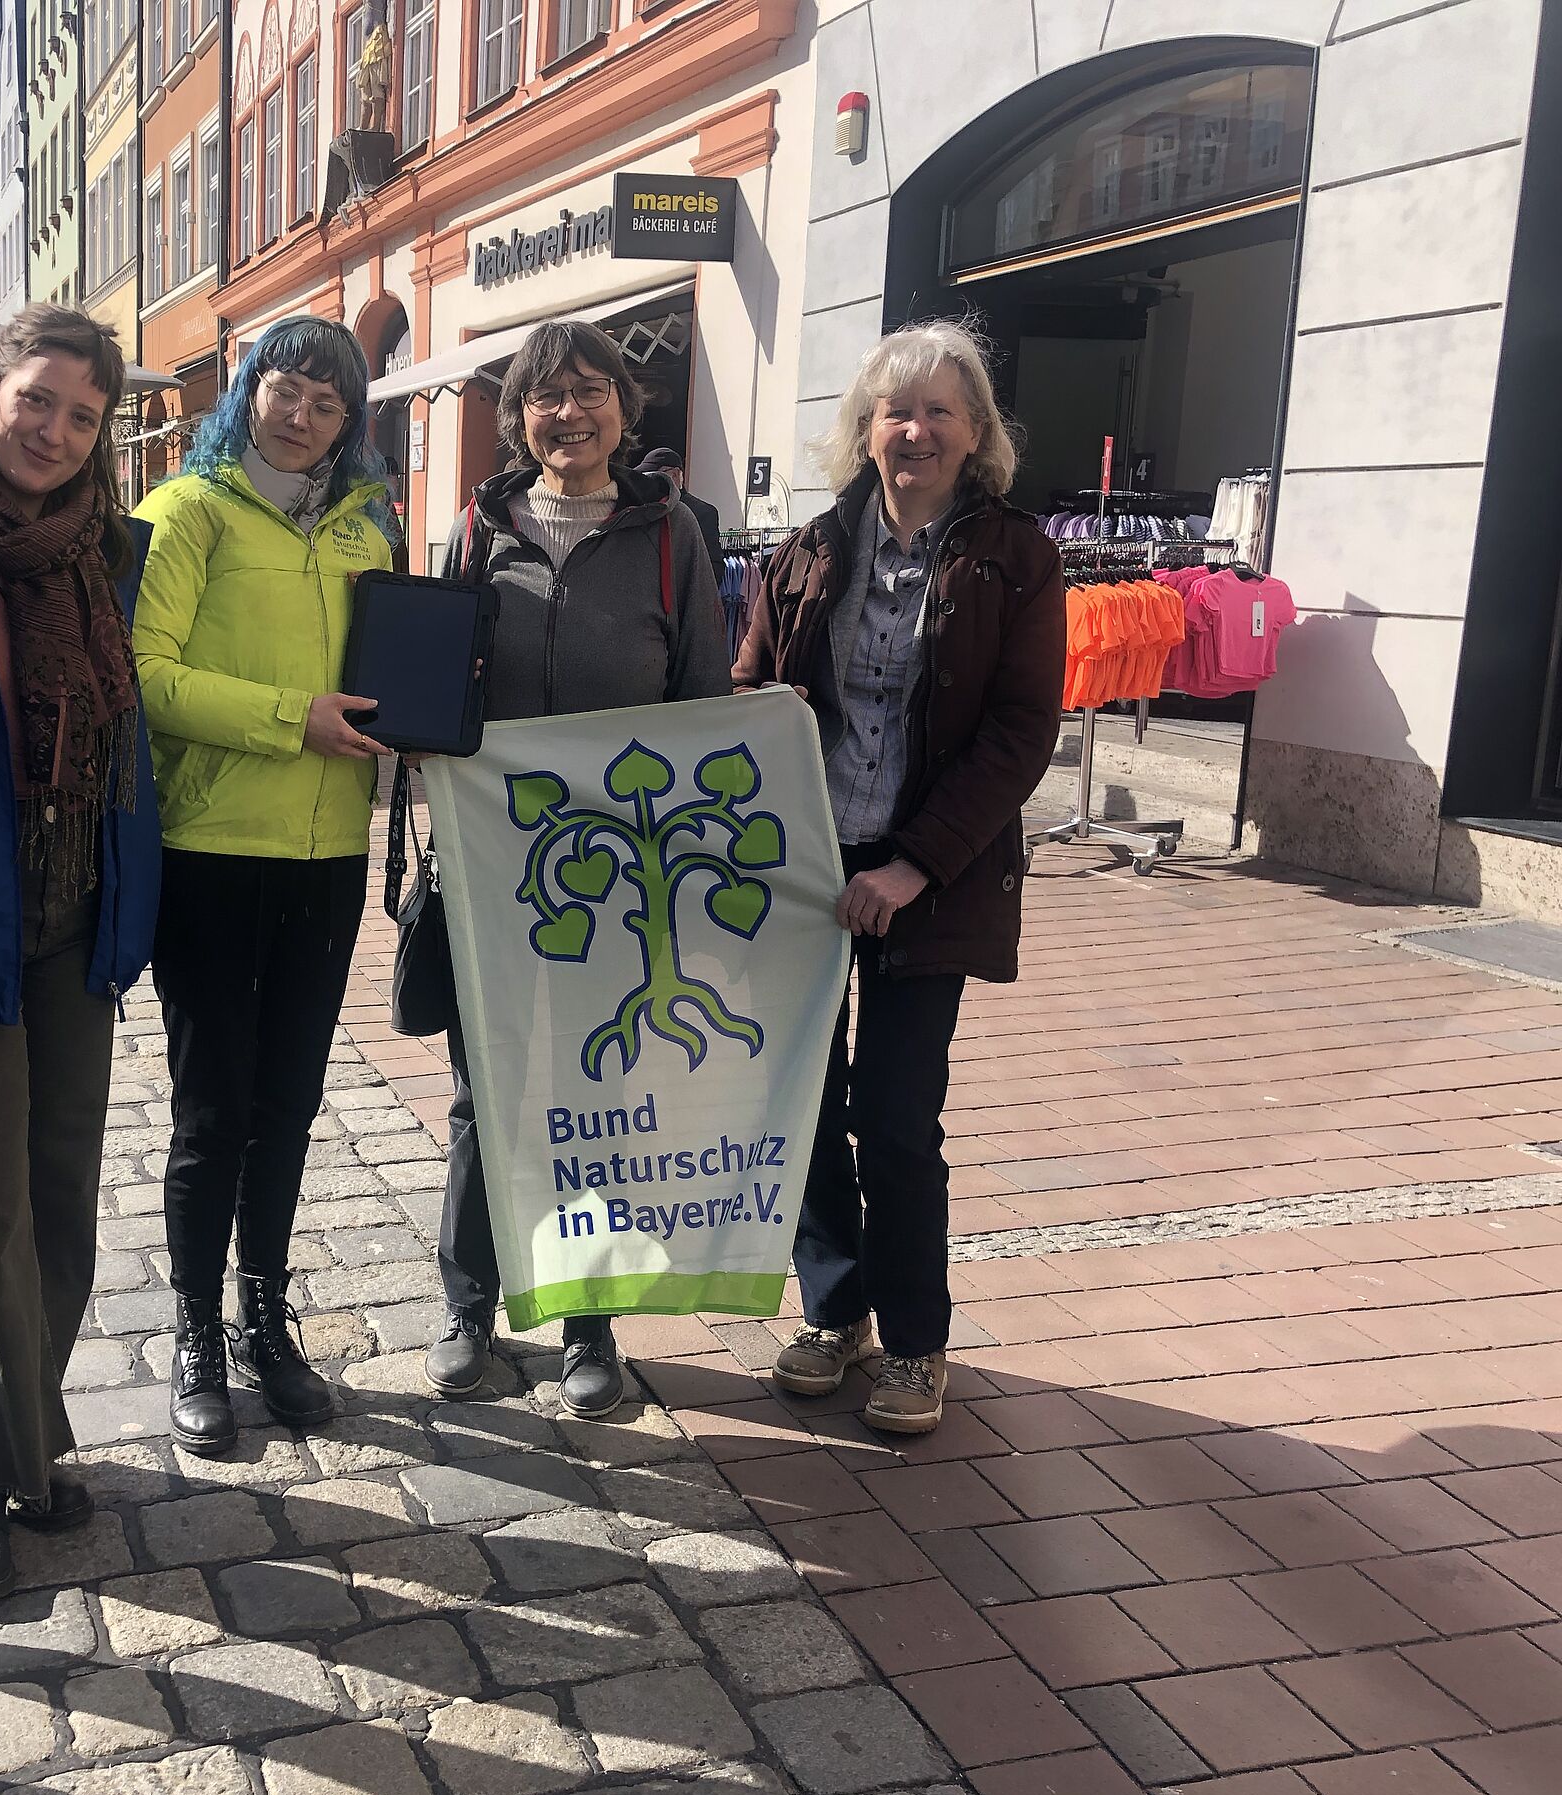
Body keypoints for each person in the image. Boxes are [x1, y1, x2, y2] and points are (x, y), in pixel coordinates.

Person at [732, 320, 1064, 1435]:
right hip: (805, 879)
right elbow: (753, 684)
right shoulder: (813, 546)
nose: (913, 430)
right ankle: (837, 1312)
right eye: (893, 410)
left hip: (935, 877)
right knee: (811, 1105)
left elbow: (1021, 733)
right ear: (864, 429)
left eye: (938, 411)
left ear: (977, 435)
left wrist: (917, 863)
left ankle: (916, 1342)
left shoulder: (1015, 554)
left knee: (897, 1112)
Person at [421, 322, 733, 1421]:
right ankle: (469, 1305)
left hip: (624, 875)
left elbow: (702, 703)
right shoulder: (476, 528)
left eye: (590, 390)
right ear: (518, 418)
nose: (570, 413)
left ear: (623, 406)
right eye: (545, 397)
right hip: (496, 863)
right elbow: (435, 683)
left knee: (602, 1094)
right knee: (482, 1096)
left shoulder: (670, 537)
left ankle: (590, 1325)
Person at [0, 304, 159, 1605]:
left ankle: (32, 1432)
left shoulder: (107, 553)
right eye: (37, 399)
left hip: (76, 916)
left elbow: (132, 736)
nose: (53, 429)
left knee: (58, 1188)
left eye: (81, 413)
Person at [132, 317, 395, 1454]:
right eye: (285, 390)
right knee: (213, 1111)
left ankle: (262, 1317)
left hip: (327, 858)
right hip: (210, 850)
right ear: (246, 393)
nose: (301, 414)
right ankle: (195, 1326)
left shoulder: (365, 534)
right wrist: (298, 722)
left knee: (287, 1103)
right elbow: (145, 675)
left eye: (326, 404)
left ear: (350, 424)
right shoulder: (183, 514)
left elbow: (387, 683)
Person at [636, 448, 729, 595]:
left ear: (674, 474)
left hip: (682, 600)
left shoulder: (702, 512)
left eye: (653, 475)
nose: (648, 482)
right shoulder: (648, 510)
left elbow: (712, 568)